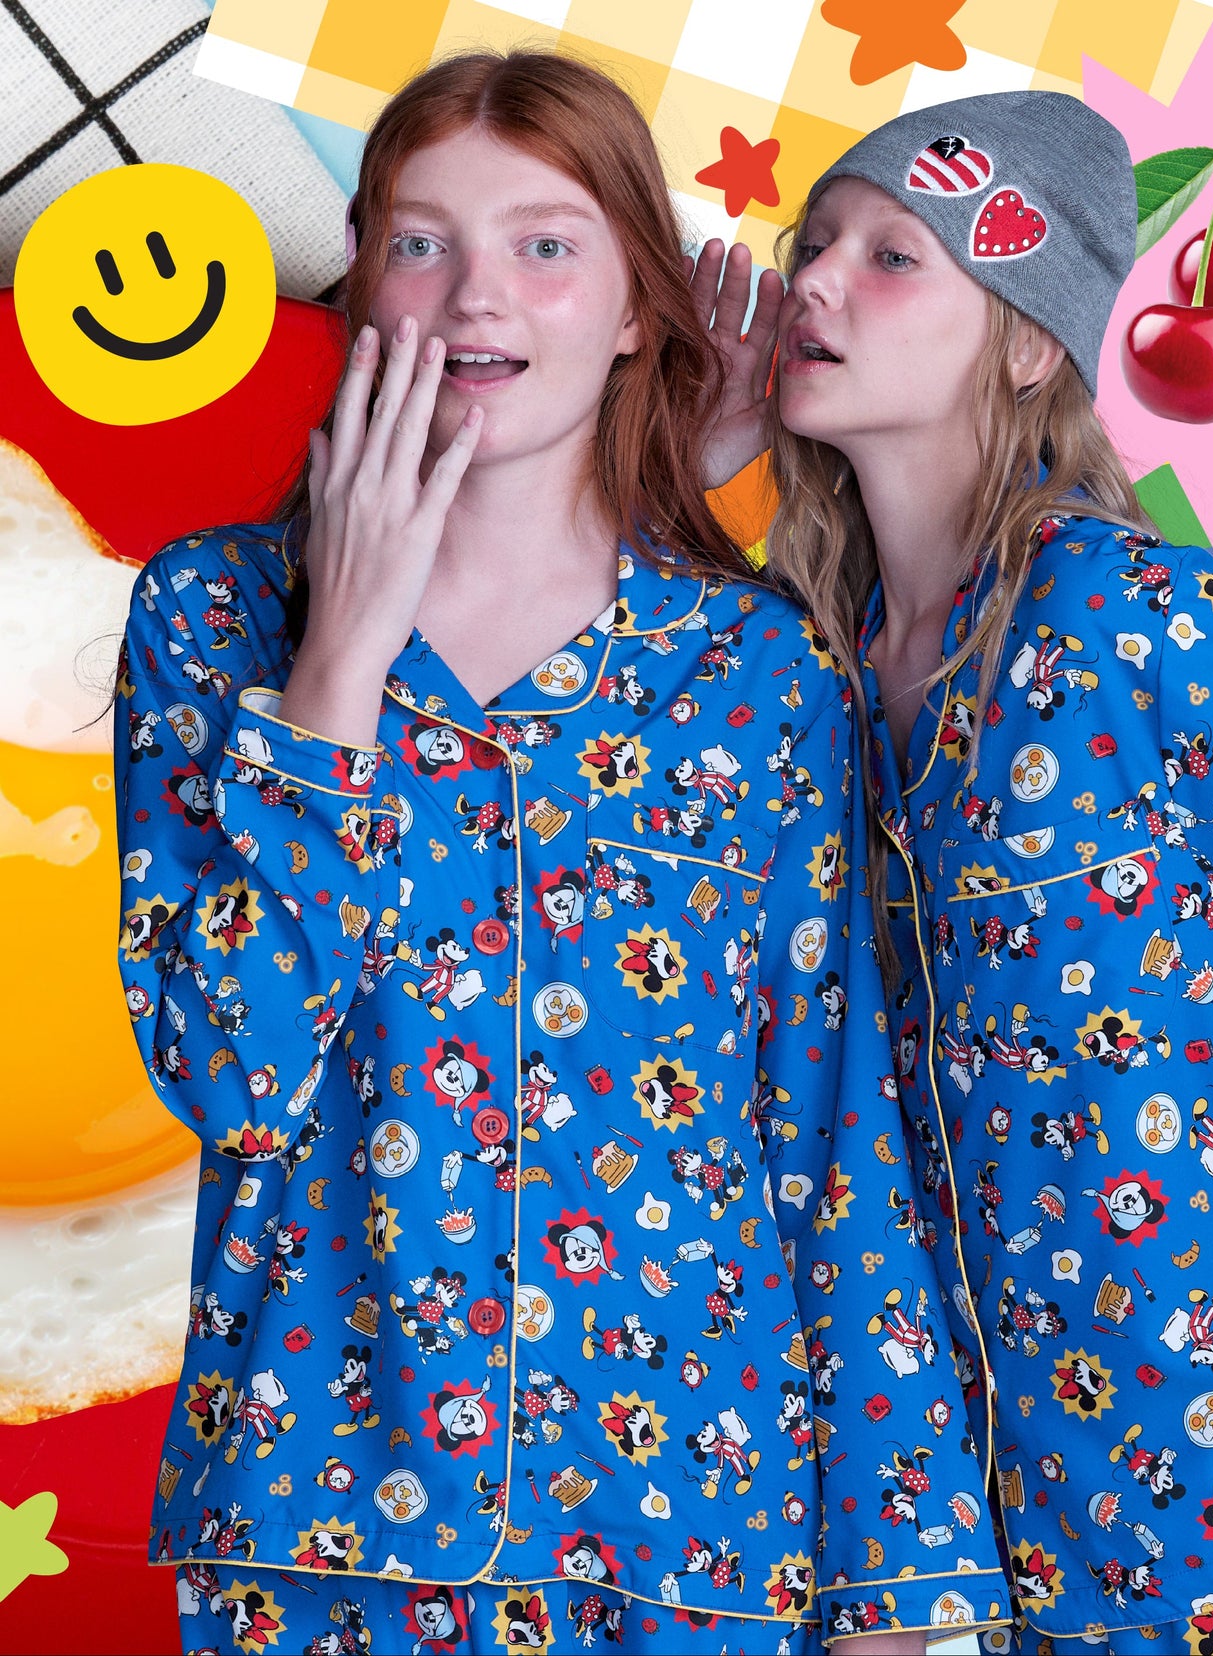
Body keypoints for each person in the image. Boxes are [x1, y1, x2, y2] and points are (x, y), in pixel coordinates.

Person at [114, 53, 1012, 1655]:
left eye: (545, 244)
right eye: (422, 242)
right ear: (364, 284)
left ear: (634, 309)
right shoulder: (215, 615)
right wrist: (338, 672)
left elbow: (830, 1139)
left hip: (694, 1542)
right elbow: (227, 1075)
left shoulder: (759, 675)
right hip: (320, 1542)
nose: (477, 293)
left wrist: (895, 1595)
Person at [694, 91, 1213, 1653]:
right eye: (815, 247)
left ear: (1025, 347)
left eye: (894, 257)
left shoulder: (1121, 617)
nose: (818, 283)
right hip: (1028, 1515)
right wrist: (714, 455)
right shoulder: (820, 662)